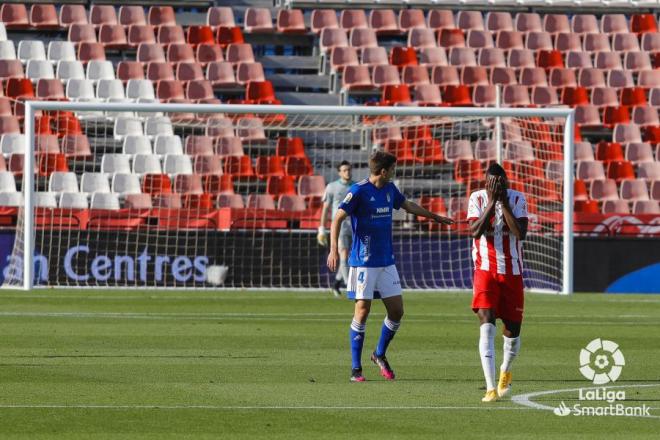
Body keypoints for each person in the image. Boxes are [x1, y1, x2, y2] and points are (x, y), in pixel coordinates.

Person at [327, 151, 454, 382]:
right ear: (383, 171)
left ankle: (379, 354)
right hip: (363, 262)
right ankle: (356, 369)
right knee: (362, 311)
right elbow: (337, 219)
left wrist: (434, 216)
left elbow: (408, 205)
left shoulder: (390, 189)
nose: (395, 172)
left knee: (397, 312)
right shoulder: (358, 191)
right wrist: (334, 249)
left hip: (386, 261)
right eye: (393, 168)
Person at [467, 163, 528, 402]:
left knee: (512, 333)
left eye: (500, 183)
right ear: (485, 183)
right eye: (491, 183)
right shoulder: (477, 198)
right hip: (484, 271)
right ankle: (490, 387)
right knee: (487, 324)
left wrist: (503, 203)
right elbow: (475, 231)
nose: (495, 186)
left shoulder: (517, 198)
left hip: (512, 272)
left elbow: (520, 233)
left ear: (507, 182)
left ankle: (505, 370)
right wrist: (492, 202)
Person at [318, 161, 355, 297]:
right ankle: (350, 287)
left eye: (349, 170)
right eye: (344, 170)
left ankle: (336, 284)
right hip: (339, 227)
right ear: (339, 172)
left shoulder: (356, 187)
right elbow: (325, 209)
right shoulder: (332, 187)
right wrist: (321, 229)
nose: (347, 172)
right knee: (343, 253)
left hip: (355, 226)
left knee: (350, 257)